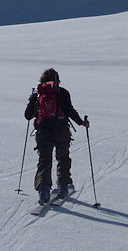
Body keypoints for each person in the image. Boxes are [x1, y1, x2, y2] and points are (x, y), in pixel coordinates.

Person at [25, 68, 88, 205]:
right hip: (61, 130)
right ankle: (63, 187)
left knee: (44, 161)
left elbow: (27, 115)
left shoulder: (38, 94)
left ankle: (43, 191)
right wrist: (81, 122)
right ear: (57, 80)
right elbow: (70, 110)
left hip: (42, 131)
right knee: (63, 158)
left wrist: (32, 100)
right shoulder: (62, 92)